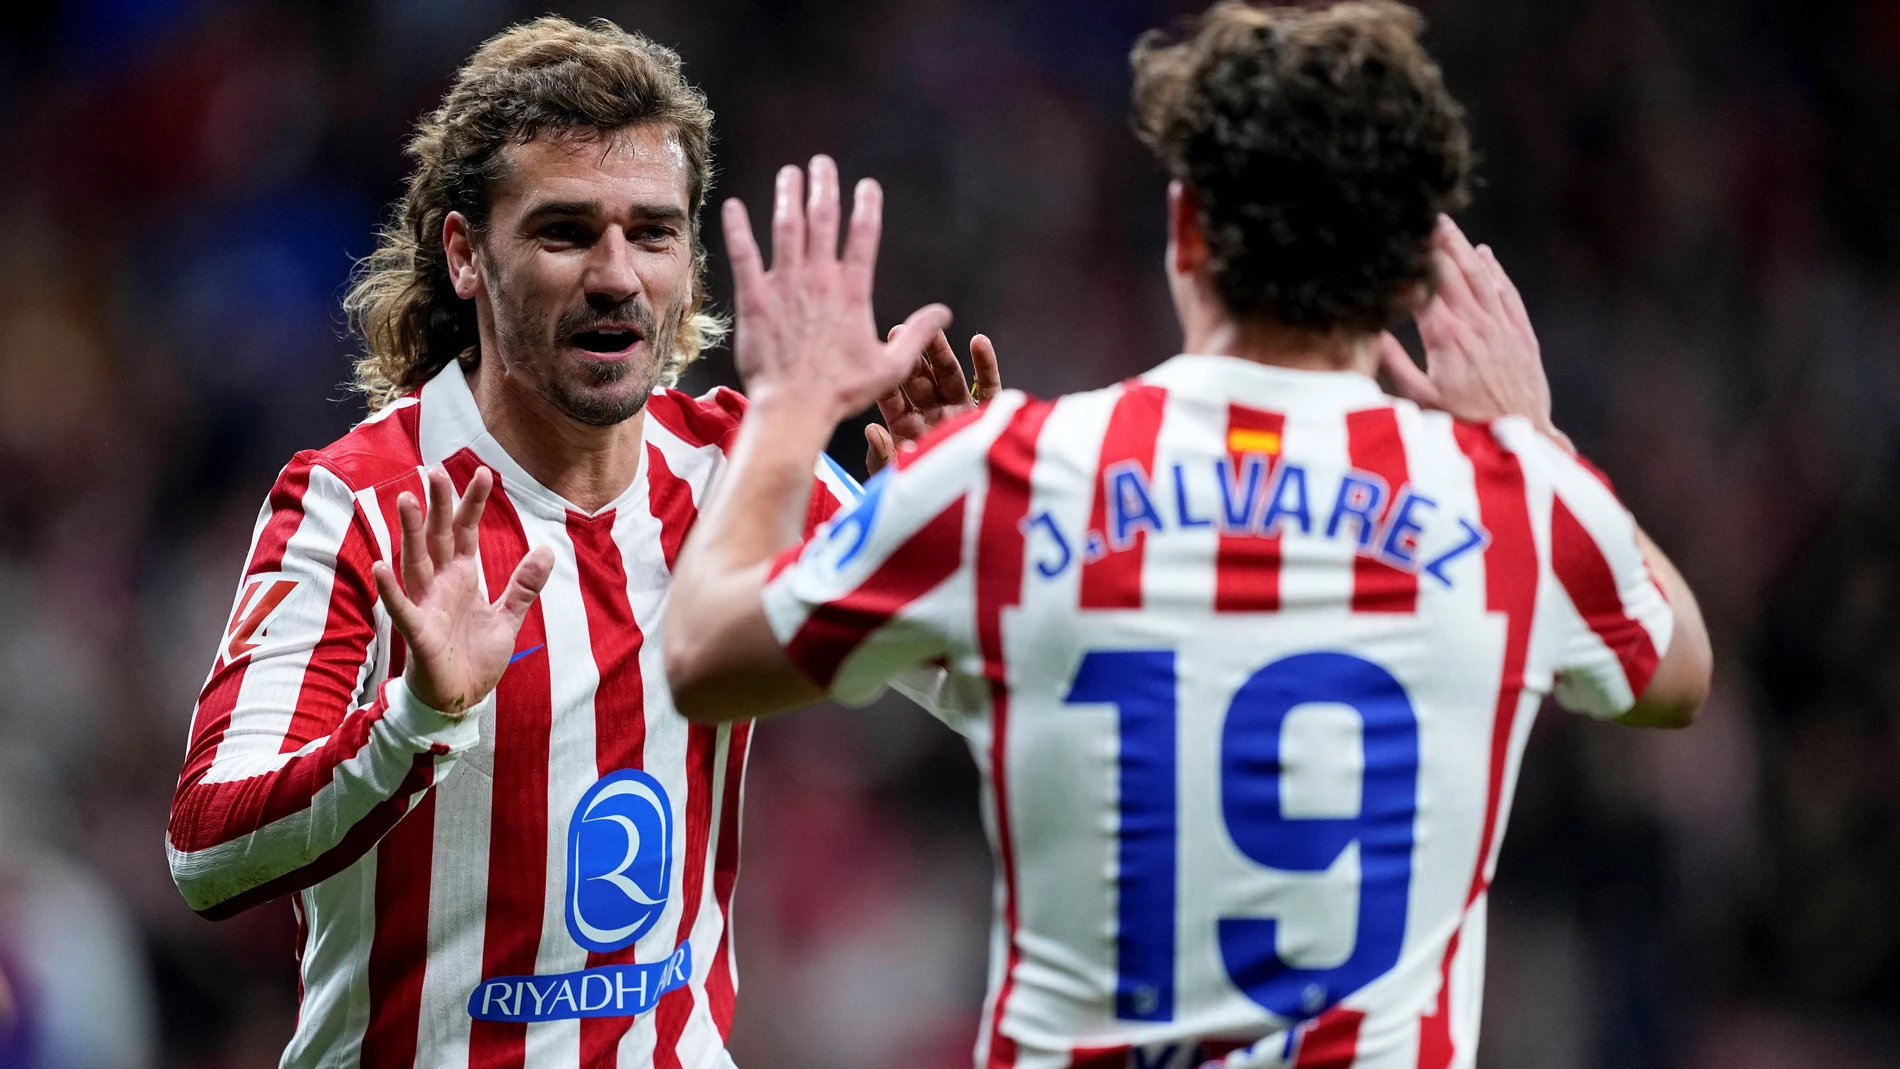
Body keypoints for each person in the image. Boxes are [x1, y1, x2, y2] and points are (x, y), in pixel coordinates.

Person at [661, 3, 1713, 1068]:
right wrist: (1533, 437)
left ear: (1184, 230)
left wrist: (793, 407)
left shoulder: (1011, 476)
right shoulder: (1517, 499)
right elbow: (1677, 670)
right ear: (1406, 279)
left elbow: (703, 656)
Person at [163, 16, 986, 1069]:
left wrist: (966, 538)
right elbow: (207, 848)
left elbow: (999, 697)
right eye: (564, 232)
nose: (616, 275)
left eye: (651, 233)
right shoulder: (359, 502)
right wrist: (411, 720)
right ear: (465, 254)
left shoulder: (744, 473)